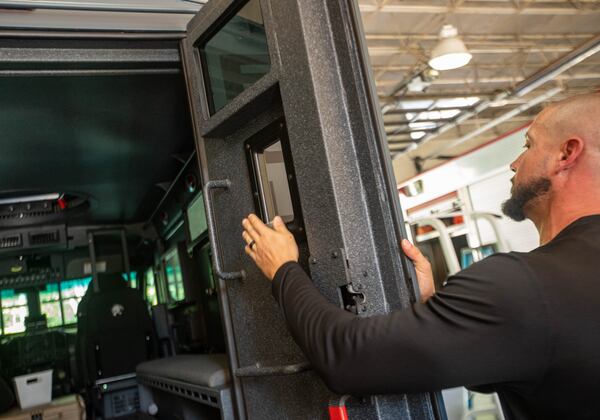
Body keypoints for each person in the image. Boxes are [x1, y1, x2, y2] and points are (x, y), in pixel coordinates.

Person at [241, 93, 600, 420]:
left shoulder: (522, 287)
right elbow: (523, 364)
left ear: (566, 154)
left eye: (528, 144)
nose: (515, 163)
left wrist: (283, 268)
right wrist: (436, 309)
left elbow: (347, 359)